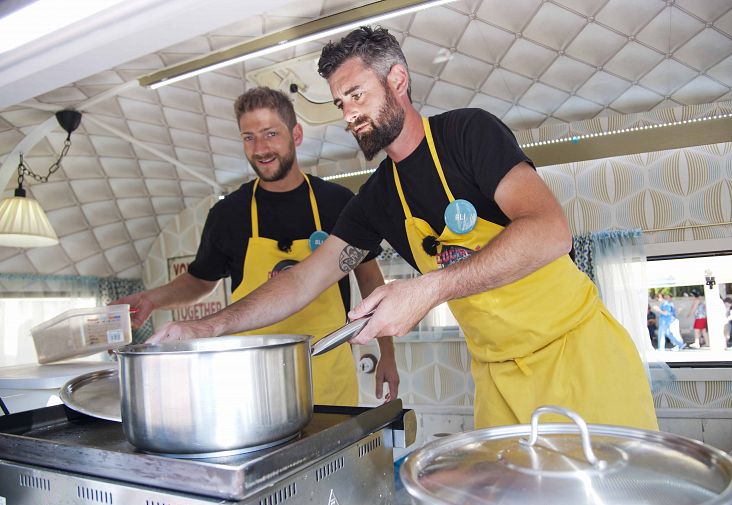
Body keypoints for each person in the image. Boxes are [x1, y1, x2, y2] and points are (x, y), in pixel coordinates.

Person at [149, 26, 657, 431]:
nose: (349, 114)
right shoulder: (377, 200)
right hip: (498, 377)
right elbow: (304, 280)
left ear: (397, 81)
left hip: (579, 355)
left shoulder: (467, 134)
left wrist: (426, 290)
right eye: (340, 103)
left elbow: (550, 232)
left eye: (356, 94)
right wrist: (204, 327)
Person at [115, 87, 398, 405]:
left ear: (296, 134)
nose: (260, 148)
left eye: (271, 133)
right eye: (248, 137)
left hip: (328, 374)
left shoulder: (337, 203)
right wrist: (151, 298)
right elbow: (199, 280)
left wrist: (386, 352)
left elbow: (370, 278)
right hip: (253, 383)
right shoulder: (228, 213)